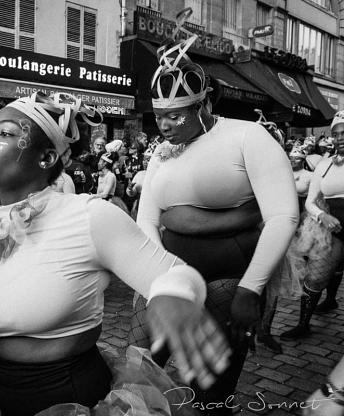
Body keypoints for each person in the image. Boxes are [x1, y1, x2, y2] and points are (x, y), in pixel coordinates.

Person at [0, 92, 230, 416]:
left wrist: (172, 297)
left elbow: (174, 273)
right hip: (7, 397)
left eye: (5, 134)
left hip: (77, 397)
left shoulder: (88, 215)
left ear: (45, 157)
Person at [132, 27, 298, 415]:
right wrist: (163, 277)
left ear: (204, 104)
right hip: (167, 279)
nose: (166, 126)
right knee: (138, 371)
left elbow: (283, 215)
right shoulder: (161, 152)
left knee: (211, 387)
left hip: (228, 281)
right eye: (160, 116)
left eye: (176, 115)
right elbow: (146, 219)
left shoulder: (248, 137)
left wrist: (250, 290)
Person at [281, 111, 344, 340]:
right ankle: (303, 324)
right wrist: (322, 216)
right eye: (336, 134)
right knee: (317, 276)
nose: (340, 138)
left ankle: (330, 300)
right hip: (333, 230)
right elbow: (309, 201)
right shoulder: (324, 165)